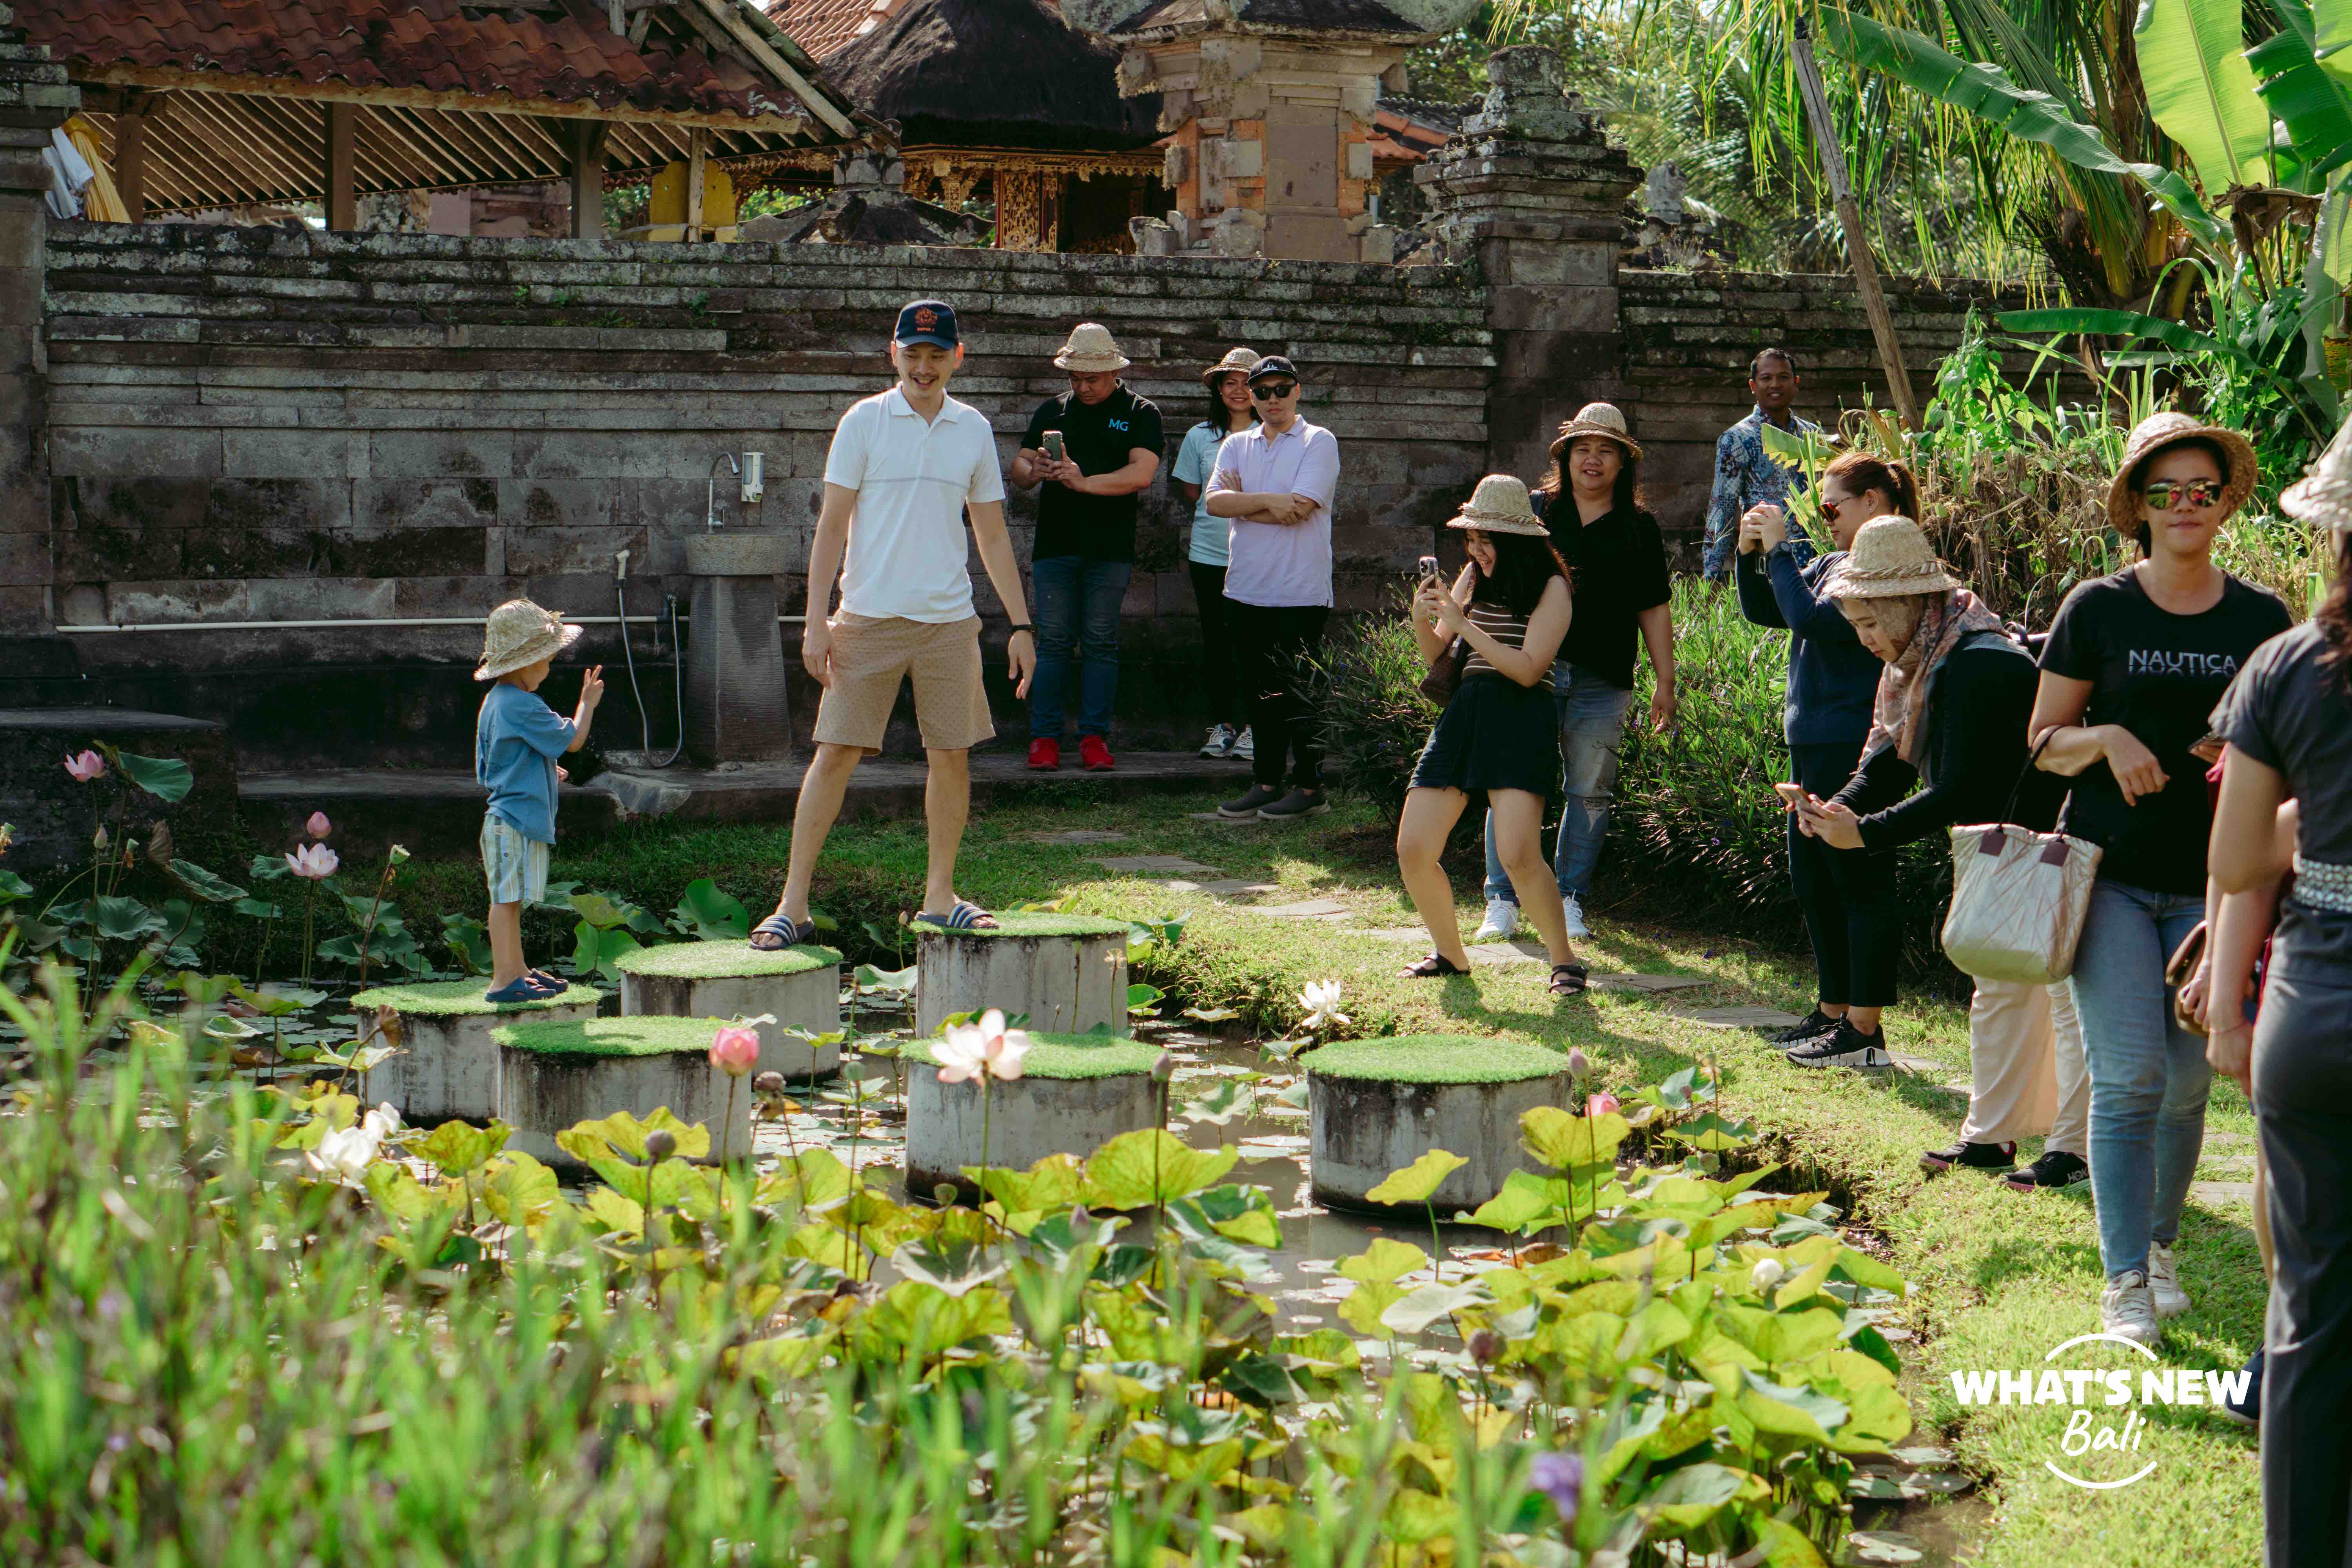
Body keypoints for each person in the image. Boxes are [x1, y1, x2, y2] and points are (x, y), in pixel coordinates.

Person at [2029, 412, 2294, 1344]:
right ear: (2137, 507)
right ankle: (2125, 1280)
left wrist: (2239, 749)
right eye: (2165, 491)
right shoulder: (2096, 608)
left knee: (2186, 1086)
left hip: (2215, 885)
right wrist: (2105, 736)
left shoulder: (2262, 618)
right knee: (2130, 1074)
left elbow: (2290, 748)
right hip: (2107, 875)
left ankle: (2163, 1244)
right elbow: (2043, 743)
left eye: (2202, 491)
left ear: (2225, 504)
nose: (2185, 506)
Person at [752, 299, 1037, 948]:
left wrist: (1021, 625)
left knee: (952, 756)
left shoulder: (972, 430)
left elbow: (992, 535)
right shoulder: (864, 422)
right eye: (914, 354)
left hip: (948, 622)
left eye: (938, 355)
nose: (925, 366)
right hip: (867, 617)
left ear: (958, 358)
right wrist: (816, 621)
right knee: (834, 756)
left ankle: (941, 896)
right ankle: (792, 904)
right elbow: (830, 527)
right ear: (894, 354)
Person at [1790, 518, 2068, 1119]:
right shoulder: (1925, 661)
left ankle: (2004, 1135)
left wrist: (1865, 834)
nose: (1864, 640)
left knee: (2018, 1000)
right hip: (1998, 848)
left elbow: (1960, 789)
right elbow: (1892, 758)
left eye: (1868, 622)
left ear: (1906, 604)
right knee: (2008, 997)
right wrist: (1839, 806)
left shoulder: (1976, 665)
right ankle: (2016, 1130)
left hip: (2032, 853)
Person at [2208, 432, 2350, 1560]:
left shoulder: (2288, 667)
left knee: (2310, 1312)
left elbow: (2241, 858)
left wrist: (2315, 822)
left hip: (2317, 1010)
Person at [1472, 403, 1674, 943]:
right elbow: (1488, 574)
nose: (1593, 460)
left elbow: (1652, 607)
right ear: (1565, 457)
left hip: (1604, 677)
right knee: (1513, 783)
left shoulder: (1639, 528)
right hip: (1529, 670)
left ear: (1622, 462)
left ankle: (1569, 899)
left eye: (1605, 450)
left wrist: (1665, 681)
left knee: (1589, 791)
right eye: (1583, 449)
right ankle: (1503, 900)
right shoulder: (1535, 512)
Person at [1733, 451, 1909, 1058]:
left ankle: (1865, 1030)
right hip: (1810, 737)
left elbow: (1809, 620)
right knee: (1813, 879)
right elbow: (1768, 611)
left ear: (1874, 504)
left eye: (1832, 505)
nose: (1825, 516)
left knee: (1856, 878)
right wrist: (1750, 552)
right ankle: (1833, 1009)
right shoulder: (1834, 560)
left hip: (1853, 739)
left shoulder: (1883, 572)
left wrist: (1782, 550)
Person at [1397, 476, 1589, 997]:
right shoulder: (1471, 579)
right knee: (1414, 848)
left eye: (1486, 540)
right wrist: (1425, 618)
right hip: (1466, 712)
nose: (1476, 550)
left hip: (1520, 714)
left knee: (1519, 855)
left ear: (1517, 541)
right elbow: (1440, 657)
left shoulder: (1553, 586)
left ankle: (1565, 962)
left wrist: (1464, 624)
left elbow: (1528, 669)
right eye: (1471, 539)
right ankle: (1450, 956)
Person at [1009, 323, 1164, 773]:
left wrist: (1084, 482)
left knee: (1100, 641)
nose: (1082, 386)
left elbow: (1142, 474)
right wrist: (1033, 468)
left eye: (1091, 378)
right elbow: (1018, 469)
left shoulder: (1140, 412)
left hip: (1110, 548)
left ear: (1114, 371)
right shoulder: (1051, 411)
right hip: (1054, 546)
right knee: (1054, 642)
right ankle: (1044, 738)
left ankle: (1095, 737)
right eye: (1075, 378)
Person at [1207, 355, 1341, 822]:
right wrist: (1265, 500)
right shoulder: (1237, 444)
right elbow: (1213, 501)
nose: (1271, 400)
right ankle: (1266, 783)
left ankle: (1309, 786)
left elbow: (1300, 508)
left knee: (1300, 693)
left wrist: (1243, 506)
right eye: (1262, 392)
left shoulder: (1317, 441)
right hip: (1246, 589)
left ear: (1298, 391)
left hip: (1300, 591)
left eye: (1281, 390)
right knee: (1259, 693)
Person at [473, 599, 603, 1002]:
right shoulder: (523, 704)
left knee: (510, 900)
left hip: (506, 816)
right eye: (546, 659)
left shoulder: (495, 702)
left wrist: (547, 771)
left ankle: (518, 971)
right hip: (512, 819)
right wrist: (588, 703)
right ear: (525, 663)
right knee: (506, 901)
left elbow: (492, 765)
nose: (549, 667)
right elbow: (573, 741)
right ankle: (503, 981)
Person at [1171, 346, 1259, 762]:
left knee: (1256, 644)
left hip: (1261, 555)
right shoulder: (1198, 437)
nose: (1239, 391)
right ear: (1219, 390)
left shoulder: (1275, 434)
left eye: (1248, 382)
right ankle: (1223, 725)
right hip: (1209, 555)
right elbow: (1192, 491)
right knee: (1217, 643)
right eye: (1231, 383)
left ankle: (1255, 728)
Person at [1703, 348, 1826, 581]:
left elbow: (1826, 497)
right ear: (1753, 386)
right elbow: (1722, 510)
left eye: (1784, 377)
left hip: (1815, 564)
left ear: (1796, 383)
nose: (1775, 385)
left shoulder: (1812, 435)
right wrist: (1712, 575)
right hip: (1766, 565)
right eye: (1766, 378)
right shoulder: (1738, 439)